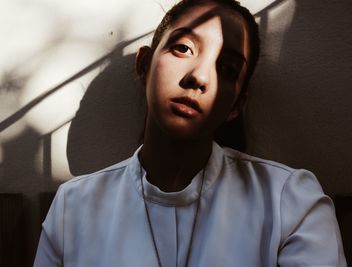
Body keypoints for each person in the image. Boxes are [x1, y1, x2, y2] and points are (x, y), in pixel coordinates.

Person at [34, 0, 347, 266]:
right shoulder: (74, 207)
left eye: (226, 69)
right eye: (183, 48)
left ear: (237, 103)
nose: (199, 77)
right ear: (144, 64)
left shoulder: (291, 201)